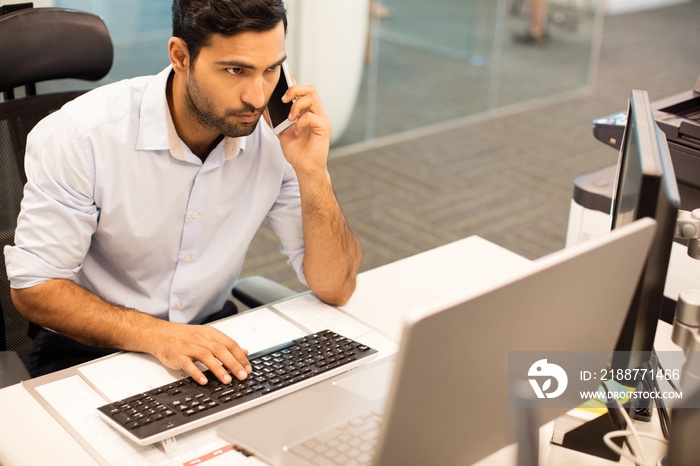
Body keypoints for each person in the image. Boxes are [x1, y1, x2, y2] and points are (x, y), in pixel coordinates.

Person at [4, 0, 362, 386]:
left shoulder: (277, 134)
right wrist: (159, 336)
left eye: (271, 69)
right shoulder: (81, 137)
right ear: (180, 56)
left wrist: (313, 172)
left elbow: (335, 286)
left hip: (208, 342)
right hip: (91, 349)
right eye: (235, 70)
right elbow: (35, 288)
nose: (258, 98)